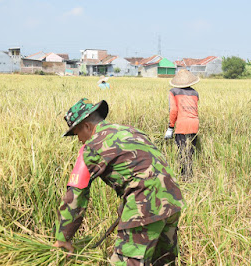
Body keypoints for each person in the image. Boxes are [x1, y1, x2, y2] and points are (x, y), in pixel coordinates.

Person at [53, 98, 185, 265]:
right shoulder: (130, 131)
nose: (79, 139)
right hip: (173, 199)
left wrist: (63, 237)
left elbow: (75, 196)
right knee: (162, 261)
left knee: (126, 261)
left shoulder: (92, 147)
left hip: (145, 203)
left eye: (77, 133)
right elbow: (148, 170)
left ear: (87, 126)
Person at [164, 69, 200, 179]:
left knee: (182, 151)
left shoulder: (173, 92)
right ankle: (190, 175)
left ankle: (185, 177)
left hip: (182, 124)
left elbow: (173, 110)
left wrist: (170, 127)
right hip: (195, 123)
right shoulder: (195, 93)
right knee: (190, 151)